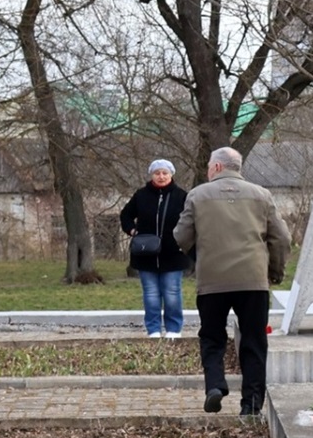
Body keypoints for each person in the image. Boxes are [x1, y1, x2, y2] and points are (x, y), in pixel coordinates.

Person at [172, 146, 291, 415]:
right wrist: (275, 271)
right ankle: (250, 404)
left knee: (212, 337)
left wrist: (200, 255)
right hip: (253, 281)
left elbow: (180, 235)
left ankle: (215, 386)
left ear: (215, 168)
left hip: (212, 282)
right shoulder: (262, 195)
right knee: (254, 341)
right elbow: (282, 238)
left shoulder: (197, 195)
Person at [120, 159, 192, 338]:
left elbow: (191, 221)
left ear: (171, 174)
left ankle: (174, 329)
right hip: (146, 254)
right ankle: (153, 329)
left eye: (165, 173)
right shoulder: (141, 195)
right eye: (157, 173)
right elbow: (126, 215)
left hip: (173, 254)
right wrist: (132, 230)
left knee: (172, 292)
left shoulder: (181, 196)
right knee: (151, 293)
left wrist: (182, 239)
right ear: (152, 175)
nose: (161, 176)